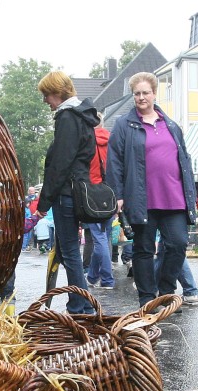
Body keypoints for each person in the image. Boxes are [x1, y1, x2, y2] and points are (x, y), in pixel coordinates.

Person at [107, 72, 197, 306]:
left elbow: (184, 160)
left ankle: (166, 292)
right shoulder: (123, 125)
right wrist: (118, 195)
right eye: (137, 93)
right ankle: (147, 298)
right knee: (144, 249)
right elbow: (114, 161)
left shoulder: (171, 125)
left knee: (177, 244)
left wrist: (190, 195)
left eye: (145, 92)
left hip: (174, 197)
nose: (141, 97)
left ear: (154, 94)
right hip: (141, 198)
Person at [35, 70, 102, 314]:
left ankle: (80, 306)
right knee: (68, 251)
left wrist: (44, 202)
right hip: (78, 190)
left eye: (46, 95)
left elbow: (60, 164)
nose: (45, 100)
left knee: (71, 252)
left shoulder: (67, 117)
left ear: (57, 92)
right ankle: (81, 304)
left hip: (65, 194)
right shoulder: (84, 116)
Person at [85, 118, 115, 290]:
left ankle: (107, 279)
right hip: (110, 194)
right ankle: (92, 276)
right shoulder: (112, 141)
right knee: (104, 236)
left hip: (92, 194)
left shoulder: (87, 141)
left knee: (99, 238)